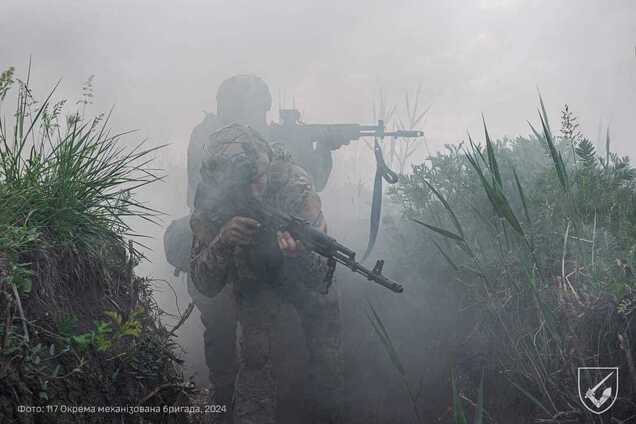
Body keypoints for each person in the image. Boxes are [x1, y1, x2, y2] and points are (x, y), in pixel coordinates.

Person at [190, 124, 344, 423]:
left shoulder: (294, 185)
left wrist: (298, 254)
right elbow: (204, 283)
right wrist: (223, 240)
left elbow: (321, 278)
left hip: (304, 283)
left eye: (257, 179)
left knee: (327, 366)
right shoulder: (212, 198)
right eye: (241, 183)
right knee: (256, 366)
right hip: (253, 283)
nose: (253, 191)